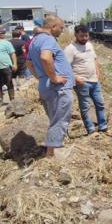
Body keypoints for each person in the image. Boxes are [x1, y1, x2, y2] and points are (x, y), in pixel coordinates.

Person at [28, 16, 75, 158]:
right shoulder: (48, 39)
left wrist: (42, 78)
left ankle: (52, 149)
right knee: (59, 119)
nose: (62, 31)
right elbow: (45, 57)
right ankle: (52, 153)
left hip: (46, 86)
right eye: (61, 28)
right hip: (57, 88)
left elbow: (29, 64)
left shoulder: (33, 41)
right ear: (53, 26)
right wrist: (54, 77)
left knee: (54, 118)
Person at [65, 25, 108, 135]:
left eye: (86, 35)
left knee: (100, 103)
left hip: (94, 81)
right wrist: (75, 78)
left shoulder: (89, 45)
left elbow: (94, 59)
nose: (84, 38)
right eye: (81, 36)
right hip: (81, 82)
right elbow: (64, 67)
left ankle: (103, 126)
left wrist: (98, 72)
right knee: (85, 107)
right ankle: (91, 130)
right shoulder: (70, 49)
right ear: (75, 35)